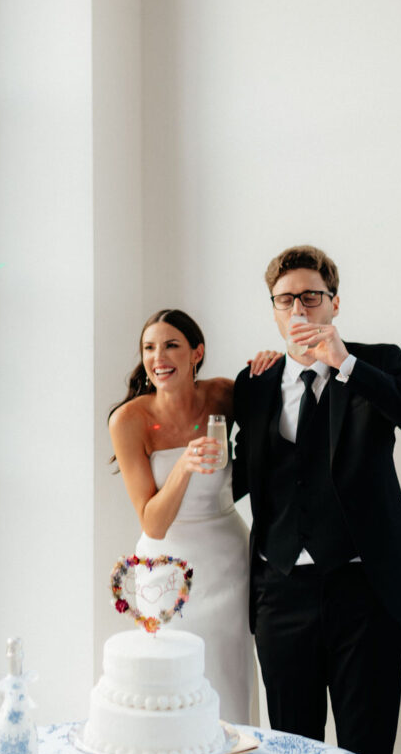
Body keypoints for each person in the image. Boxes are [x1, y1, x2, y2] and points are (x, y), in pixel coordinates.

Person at [232, 245, 401, 754]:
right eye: (285, 299)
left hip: (365, 592)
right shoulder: (254, 383)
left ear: (335, 302)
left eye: (311, 296)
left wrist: (347, 364)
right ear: (273, 309)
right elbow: (238, 477)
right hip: (281, 593)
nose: (299, 309)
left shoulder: (379, 362)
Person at [109, 308, 281, 723]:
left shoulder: (223, 395)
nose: (158, 358)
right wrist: (184, 466)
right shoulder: (129, 420)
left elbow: (277, 412)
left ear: (196, 353)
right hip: (167, 568)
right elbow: (152, 523)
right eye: (149, 348)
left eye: (171, 345)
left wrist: (271, 366)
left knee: (231, 673)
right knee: (176, 682)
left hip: (229, 559)